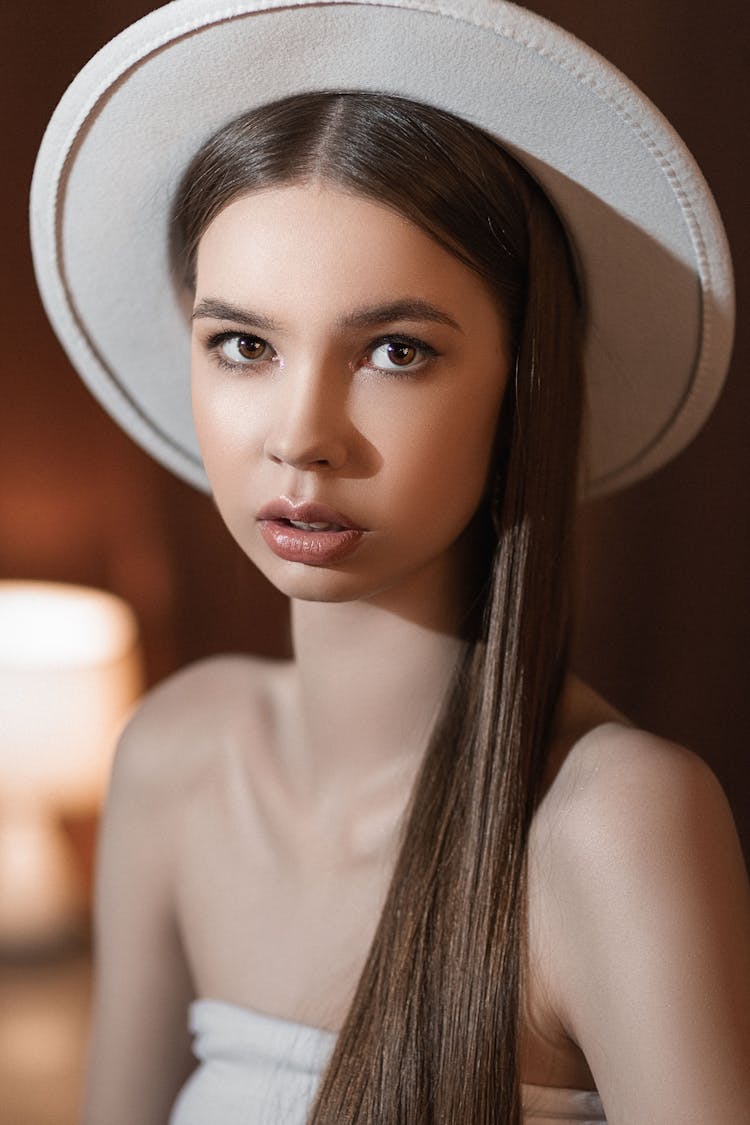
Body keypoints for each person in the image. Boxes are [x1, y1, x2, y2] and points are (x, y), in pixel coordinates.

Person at [30, 1, 750, 1123]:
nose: (302, 433)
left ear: (522, 382)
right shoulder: (176, 759)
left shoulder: (610, 824)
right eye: (244, 345)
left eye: (396, 352)